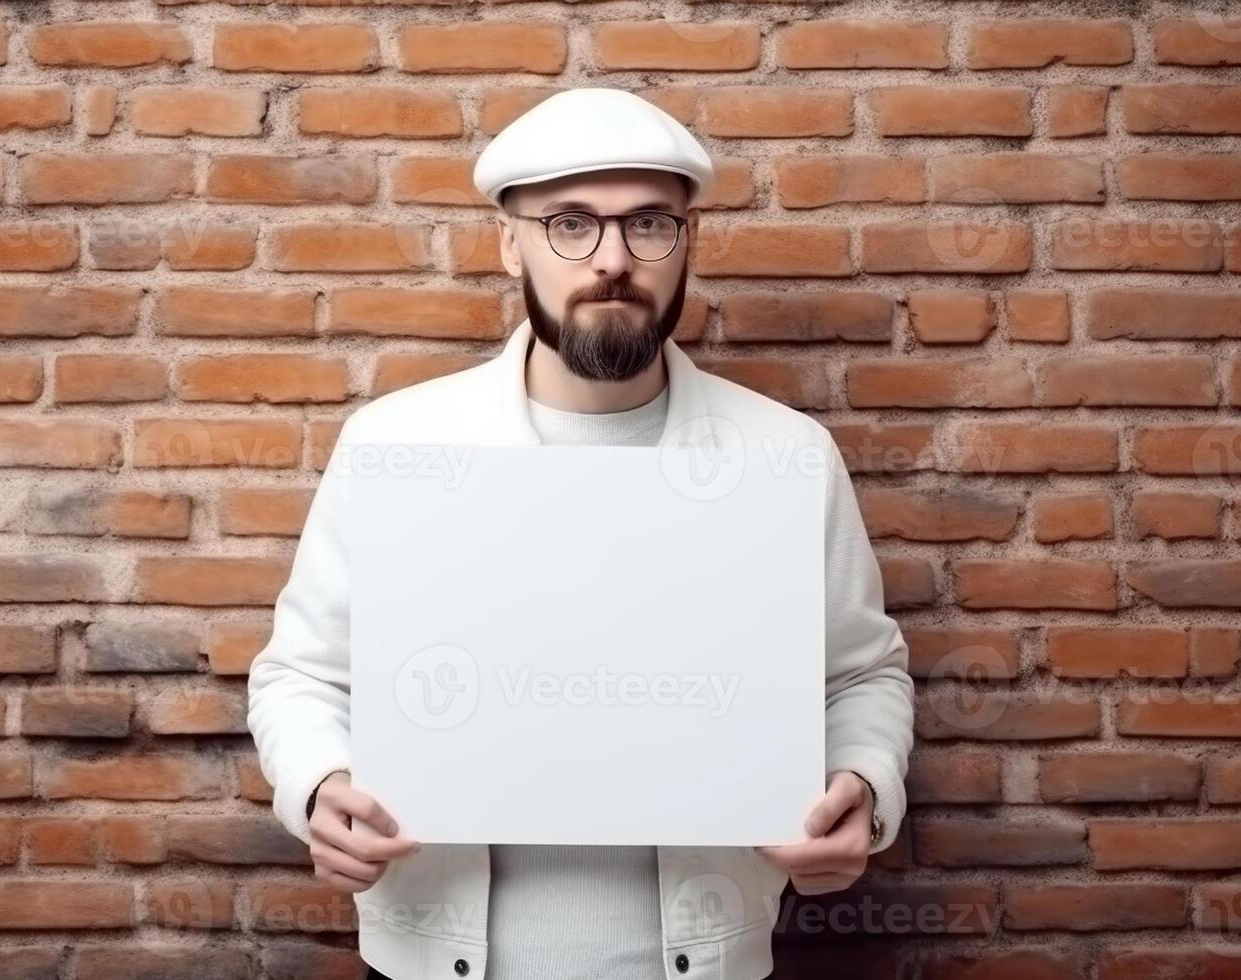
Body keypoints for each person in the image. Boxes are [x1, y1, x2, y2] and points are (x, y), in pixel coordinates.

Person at [247, 87, 915, 980]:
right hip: (435, 961)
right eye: (570, 225)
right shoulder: (397, 446)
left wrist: (863, 791)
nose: (613, 260)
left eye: (649, 225)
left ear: (687, 243)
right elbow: (303, 674)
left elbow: (861, 674)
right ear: (507, 240)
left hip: (699, 963)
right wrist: (320, 788)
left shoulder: (784, 454)